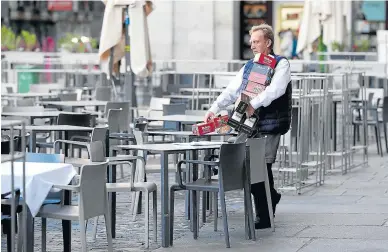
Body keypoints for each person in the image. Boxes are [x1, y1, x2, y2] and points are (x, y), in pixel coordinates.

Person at [204, 23, 292, 229]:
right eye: (251, 41)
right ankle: (272, 198)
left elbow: (276, 90)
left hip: (270, 123)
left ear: (268, 42)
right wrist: (214, 108)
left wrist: (253, 104)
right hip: (249, 124)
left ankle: (265, 215)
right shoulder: (249, 65)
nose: (252, 45)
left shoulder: (281, 64)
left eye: (256, 41)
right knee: (252, 166)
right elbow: (232, 91)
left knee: (261, 166)